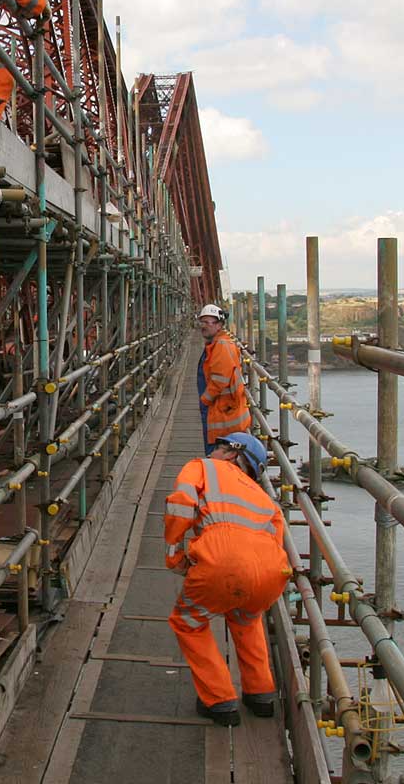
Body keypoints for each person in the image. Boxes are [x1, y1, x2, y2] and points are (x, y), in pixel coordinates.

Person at [164, 432, 290, 726]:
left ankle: (220, 700)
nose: (213, 452)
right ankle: (261, 695)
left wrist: (174, 556)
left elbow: (180, 505)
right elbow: (277, 537)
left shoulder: (202, 467)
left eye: (219, 448)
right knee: (246, 618)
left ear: (234, 453)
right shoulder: (262, 496)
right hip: (271, 573)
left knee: (188, 622)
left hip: (224, 562)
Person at [196, 303, 250, 455]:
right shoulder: (215, 344)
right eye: (202, 322)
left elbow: (220, 380)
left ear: (219, 325)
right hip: (223, 409)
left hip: (223, 411)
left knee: (218, 453)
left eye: (209, 322)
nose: (204, 326)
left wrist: (204, 401)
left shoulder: (221, 345)